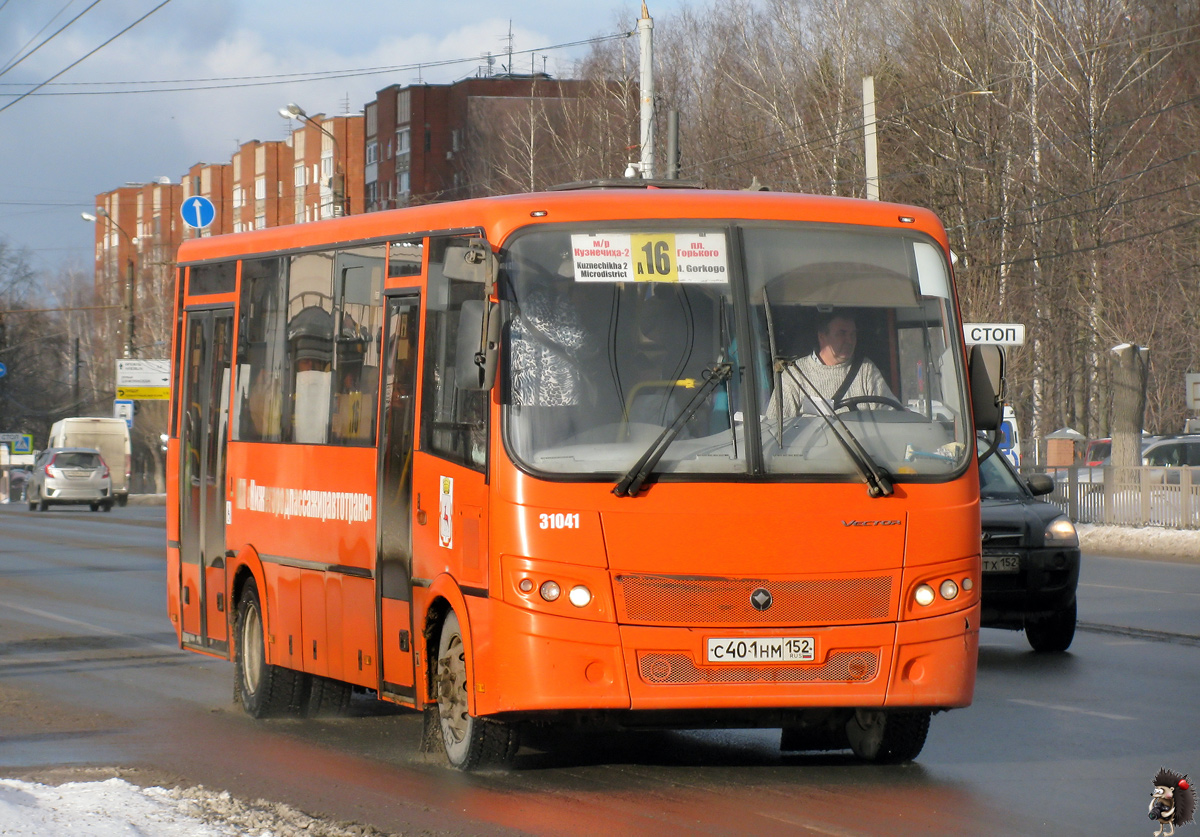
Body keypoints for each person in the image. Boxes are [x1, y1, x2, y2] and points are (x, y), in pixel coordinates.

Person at [766, 310, 895, 420]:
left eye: (852, 334)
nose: (849, 341)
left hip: (861, 447)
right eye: (841, 334)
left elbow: (892, 414)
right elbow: (775, 427)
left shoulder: (866, 370)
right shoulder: (795, 375)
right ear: (822, 337)